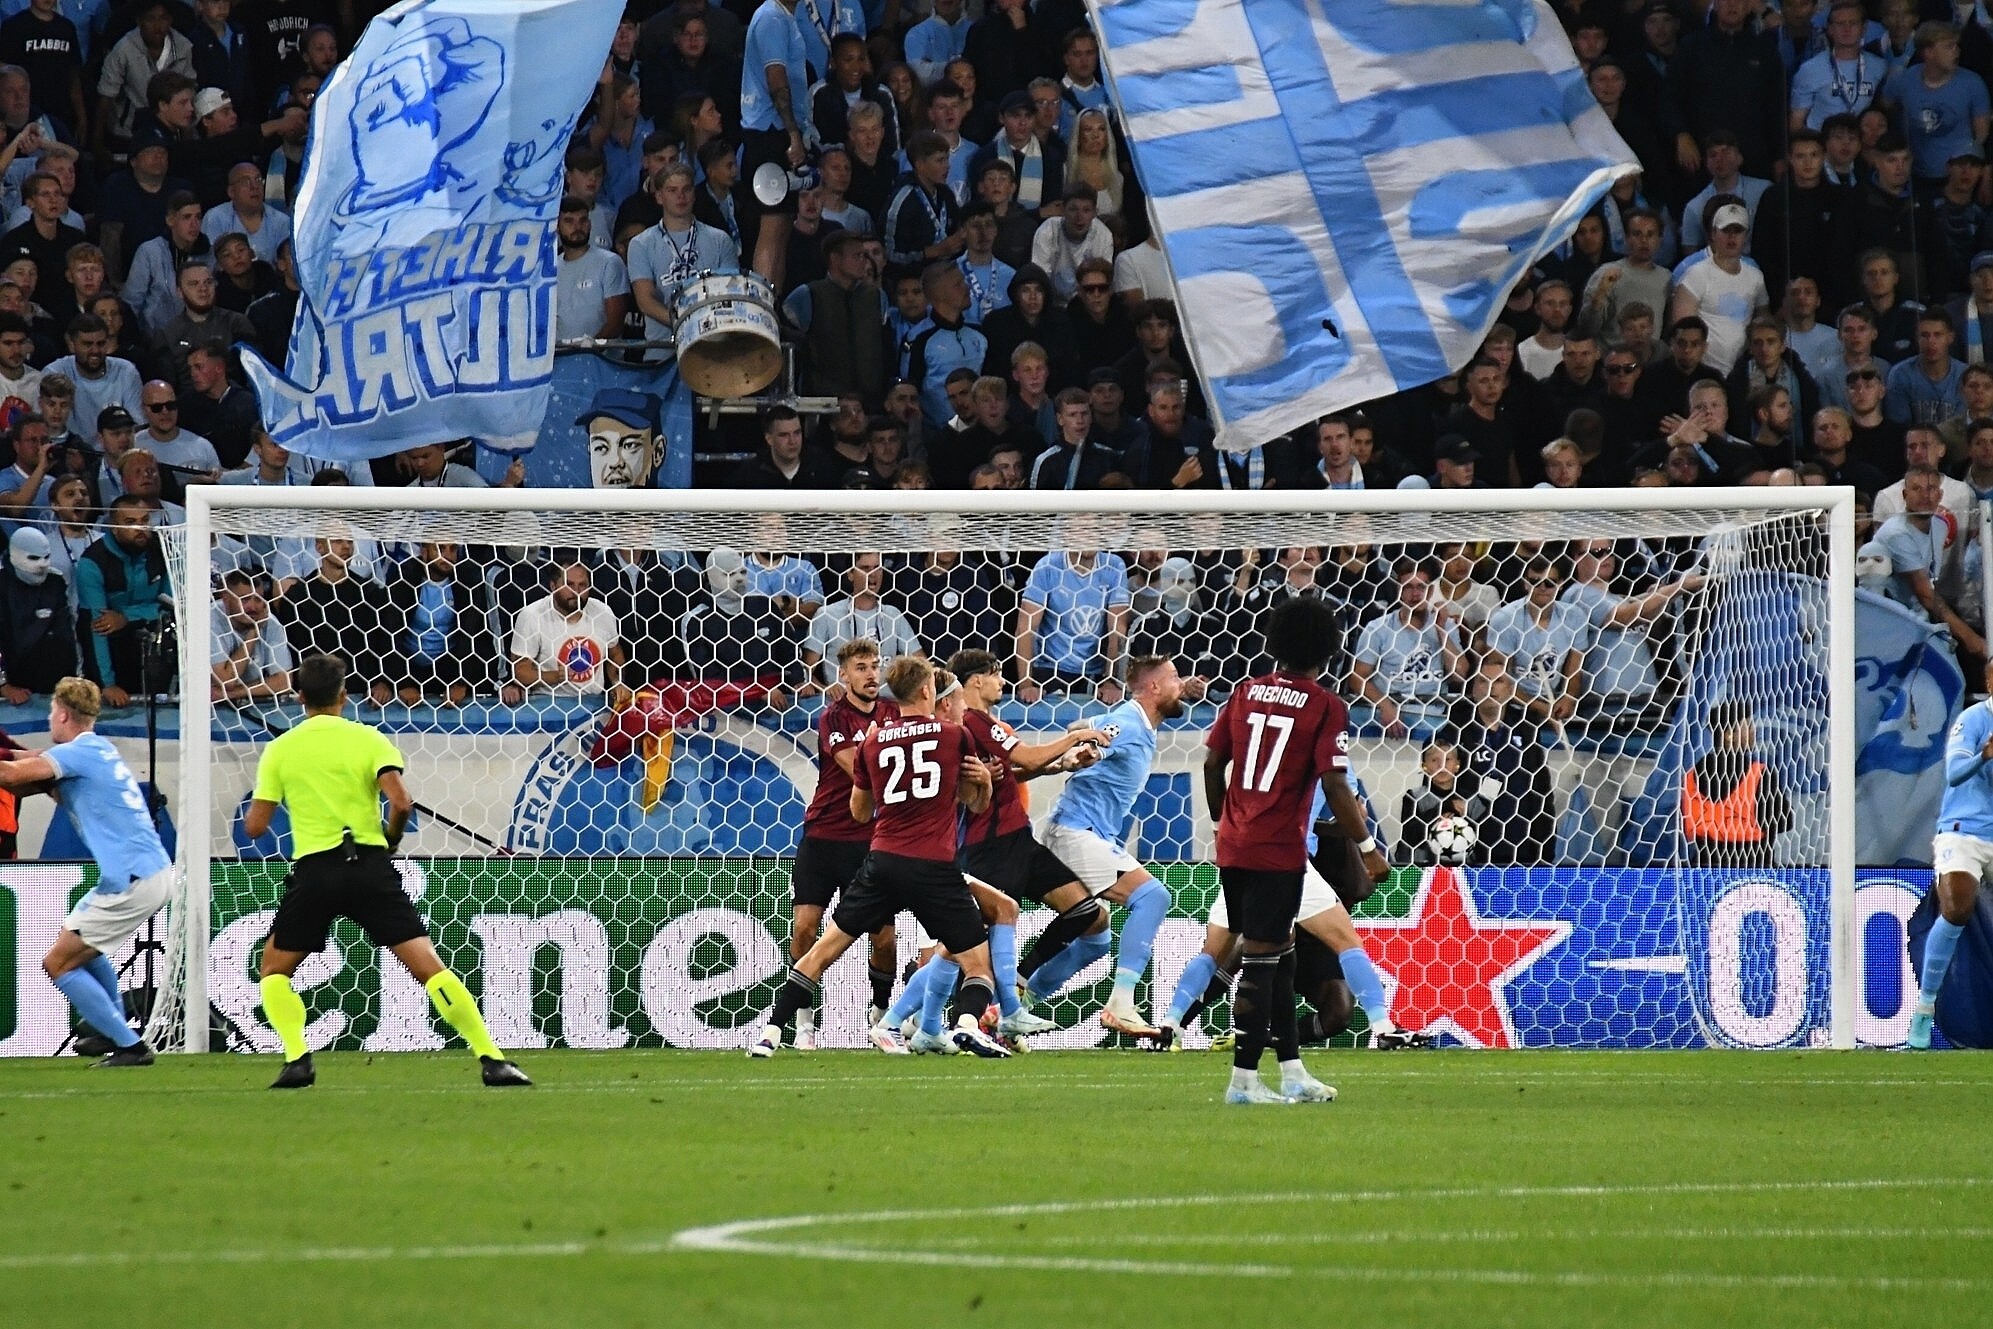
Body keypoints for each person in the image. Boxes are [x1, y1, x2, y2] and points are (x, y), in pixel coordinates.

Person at [244, 654, 530, 1088]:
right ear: (344, 696)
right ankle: (492, 1058)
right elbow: (401, 802)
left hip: (316, 871)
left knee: (274, 970)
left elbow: (255, 826)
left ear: (299, 697)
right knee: (430, 967)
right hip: (369, 866)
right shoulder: (369, 739)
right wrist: (391, 839)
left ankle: (297, 1058)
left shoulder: (281, 749)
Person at [750, 654, 1010, 1058]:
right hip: (934, 866)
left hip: (883, 861)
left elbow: (859, 812)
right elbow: (974, 802)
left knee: (822, 950)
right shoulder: (954, 735)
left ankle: (770, 1033)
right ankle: (966, 1024)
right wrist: (984, 785)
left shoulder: (872, 742)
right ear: (927, 690)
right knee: (977, 963)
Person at [1200, 596, 1386, 1104]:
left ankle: (1292, 1071)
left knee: (1279, 955)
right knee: (1263, 961)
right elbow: (1335, 783)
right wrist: (1368, 847)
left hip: (1235, 845)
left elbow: (1213, 764)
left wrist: (1222, 821)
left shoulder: (1244, 692)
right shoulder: (1326, 705)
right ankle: (1242, 1082)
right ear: (1327, 651)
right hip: (1279, 849)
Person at [1029, 655, 1207, 1036]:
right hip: (1076, 832)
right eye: (1174, 678)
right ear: (1153, 687)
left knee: (1096, 937)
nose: (1181, 684)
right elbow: (1096, 743)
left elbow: (1080, 727)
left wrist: (1085, 734)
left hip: (1088, 833)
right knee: (1153, 897)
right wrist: (1087, 752)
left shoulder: (1131, 719)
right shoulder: (1129, 723)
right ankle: (1121, 1004)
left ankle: (1016, 1003)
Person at [0, 676, 172, 1065]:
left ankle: (130, 1046)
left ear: (62, 714)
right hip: (145, 872)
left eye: (51, 713)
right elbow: (26, 779)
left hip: (132, 879)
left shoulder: (77, 754)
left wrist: (12, 761)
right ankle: (108, 1028)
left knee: (58, 964)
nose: (50, 719)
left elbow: (11, 777)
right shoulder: (98, 749)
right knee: (80, 940)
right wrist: (14, 756)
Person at [786, 638, 902, 1051]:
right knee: (805, 927)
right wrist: (885, 750)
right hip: (823, 837)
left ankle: (880, 1014)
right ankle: (803, 1022)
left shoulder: (894, 713)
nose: (871, 675)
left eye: (874, 666)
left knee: (884, 938)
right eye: (861, 668)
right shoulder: (833, 718)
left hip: (871, 842)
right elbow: (856, 768)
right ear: (844, 675)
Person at [1917, 665, 1993, 1047]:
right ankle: (1925, 1007)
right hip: (1965, 830)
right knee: (1957, 908)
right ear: (1990, 682)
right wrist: (1984, 755)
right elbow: (1954, 772)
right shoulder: (1974, 719)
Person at [1682, 699, 1793, 869]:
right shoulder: (1758, 774)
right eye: (1748, 726)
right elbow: (1784, 822)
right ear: (1729, 735)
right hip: (1753, 867)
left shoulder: (1691, 774)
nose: (1754, 731)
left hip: (1703, 868)